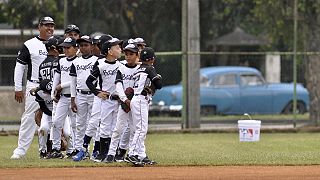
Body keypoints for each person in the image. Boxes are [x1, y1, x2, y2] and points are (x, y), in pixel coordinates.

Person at [11, 16, 55, 159]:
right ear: (39, 27)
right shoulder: (30, 44)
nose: (50, 28)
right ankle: (20, 151)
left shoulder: (58, 43)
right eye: (46, 25)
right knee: (29, 117)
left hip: (55, 86)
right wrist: (18, 88)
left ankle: (54, 150)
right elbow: (20, 67)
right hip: (34, 85)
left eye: (52, 25)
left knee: (57, 118)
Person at [86, 37, 123, 162]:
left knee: (116, 127)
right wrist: (97, 92)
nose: (120, 49)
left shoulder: (121, 65)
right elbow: (89, 81)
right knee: (105, 127)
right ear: (109, 51)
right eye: (117, 47)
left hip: (118, 101)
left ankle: (113, 153)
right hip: (106, 100)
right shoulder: (101, 65)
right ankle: (102, 153)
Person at [105, 43, 140, 163]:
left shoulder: (140, 69)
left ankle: (133, 153)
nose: (128, 56)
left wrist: (134, 101)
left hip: (136, 103)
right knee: (118, 129)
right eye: (126, 54)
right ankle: (111, 154)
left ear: (137, 55)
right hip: (125, 103)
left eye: (132, 54)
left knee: (134, 129)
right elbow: (118, 86)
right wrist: (125, 99)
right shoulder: (121, 68)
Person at [127, 47, 162, 166]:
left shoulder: (138, 69)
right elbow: (159, 84)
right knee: (141, 129)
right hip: (140, 100)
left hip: (136, 99)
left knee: (140, 129)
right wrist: (158, 78)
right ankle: (132, 154)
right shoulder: (149, 68)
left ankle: (141, 155)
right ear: (152, 59)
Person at [69, 35, 97, 161]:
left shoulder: (97, 60)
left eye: (86, 45)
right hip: (80, 95)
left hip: (93, 95)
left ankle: (95, 150)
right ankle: (80, 150)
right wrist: (72, 99)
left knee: (93, 123)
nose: (83, 47)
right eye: (81, 45)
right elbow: (73, 81)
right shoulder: (75, 62)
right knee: (80, 124)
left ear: (91, 46)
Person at [50, 37, 79, 159]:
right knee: (56, 122)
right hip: (62, 97)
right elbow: (57, 76)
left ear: (75, 48)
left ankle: (73, 149)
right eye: (64, 47)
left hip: (75, 97)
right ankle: (56, 149)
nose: (65, 50)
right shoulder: (61, 61)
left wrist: (61, 85)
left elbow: (77, 81)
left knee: (75, 124)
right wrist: (53, 91)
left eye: (68, 47)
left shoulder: (79, 62)